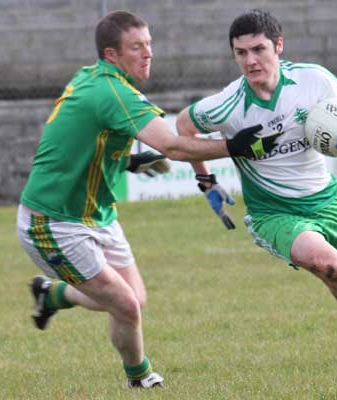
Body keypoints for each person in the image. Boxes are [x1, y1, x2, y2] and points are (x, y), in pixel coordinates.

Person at [16, 10, 279, 390]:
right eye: (136, 47)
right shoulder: (112, 91)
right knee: (124, 305)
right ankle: (140, 380)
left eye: (149, 44)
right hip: (52, 223)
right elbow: (171, 143)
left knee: (134, 300)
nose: (147, 54)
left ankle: (51, 294)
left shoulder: (96, 79)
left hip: (98, 215)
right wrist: (237, 147)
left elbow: (80, 139)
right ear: (112, 55)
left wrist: (130, 161)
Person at [176, 9, 337, 376]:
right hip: (273, 212)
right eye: (241, 53)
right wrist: (206, 181)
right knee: (328, 264)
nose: (250, 61)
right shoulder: (227, 104)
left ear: (278, 46)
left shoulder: (314, 80)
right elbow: (182, 130)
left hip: (325, 199)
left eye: (259, 49)